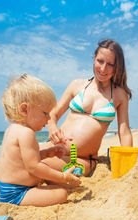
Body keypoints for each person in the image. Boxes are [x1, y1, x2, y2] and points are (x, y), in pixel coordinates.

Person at [42, 39, 133, 175]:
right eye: (100, 61)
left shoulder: (120, 95)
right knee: (7, 168)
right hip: (54, 148)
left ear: (117, 67)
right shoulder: (76, 85)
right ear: (94, 59)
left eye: (110, 64)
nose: (103, 69)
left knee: (36, 165)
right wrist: (53, 128)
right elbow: (52, 115)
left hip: (81, 159)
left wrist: (128, 162)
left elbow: (124, 130)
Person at [0, 73, 81, 207]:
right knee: (61, 194)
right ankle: (65, 179)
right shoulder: (26, 133)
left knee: (47, 170)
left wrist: (47, 153)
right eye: (45, 113)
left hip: (8, 189)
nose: (49, 119)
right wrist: (63, 177)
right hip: (16, 194)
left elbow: (24, 160)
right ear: (24, 109)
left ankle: (62, 180)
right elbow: (34, 167)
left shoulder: (13, 129)